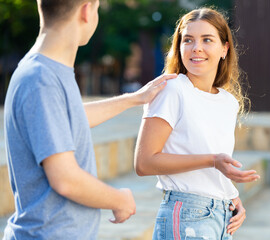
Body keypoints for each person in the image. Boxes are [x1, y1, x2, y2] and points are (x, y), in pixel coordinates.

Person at [2, 0, 176, 239]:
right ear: (87, 9)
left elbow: (66, 118)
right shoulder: (41, 79)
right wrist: (119, 198)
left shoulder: (47, 71)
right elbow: (65, 179)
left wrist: (134, 99)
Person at [134, 7, 260, 240]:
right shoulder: (172, 89)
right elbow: (144, 163)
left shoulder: (228, 102)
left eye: (207, 40)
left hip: (222, 216)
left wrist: (231, 195)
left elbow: (211, 163)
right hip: (186, 215)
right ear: (179, 47)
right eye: (188, 40)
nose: (196, 48)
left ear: (224, 48)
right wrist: (212, 161)